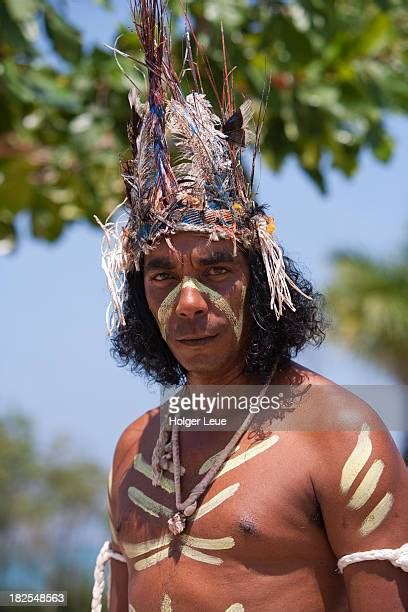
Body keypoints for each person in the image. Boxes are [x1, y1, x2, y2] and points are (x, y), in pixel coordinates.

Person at [91, 2, 408, 610]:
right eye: (161, 276)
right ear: (138, 296)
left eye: (216, 270)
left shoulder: (340, 436)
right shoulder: (135, 448)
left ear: (259, 281)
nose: (188, 302)